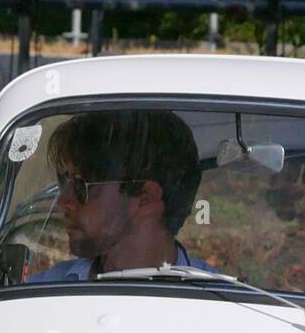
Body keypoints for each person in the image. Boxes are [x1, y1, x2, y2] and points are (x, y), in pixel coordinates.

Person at [29, 110, 215, 283]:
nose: (63, 201)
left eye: (80, 185)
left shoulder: (222, 306)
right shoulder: (38, 295)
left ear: (146, 197)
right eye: (64, 181)